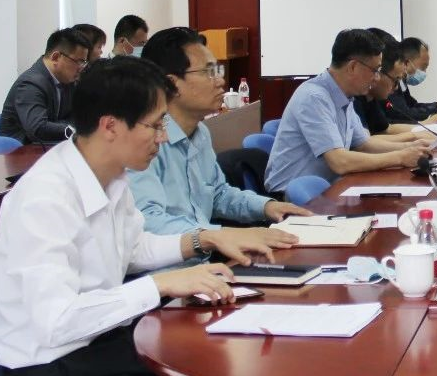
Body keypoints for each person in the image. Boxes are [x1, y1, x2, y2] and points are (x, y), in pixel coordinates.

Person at [0, 57, 296, 376]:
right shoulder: (44, 198)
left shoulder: (112, 176)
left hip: (101, 345)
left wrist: (203, 241)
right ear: (110, 126)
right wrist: (160, 284)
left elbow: (132, 249)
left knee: (214, 370)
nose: (162, 137)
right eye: (155, 125)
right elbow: (57, 321)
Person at [128, 27, 312, 237]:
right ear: (172, 84)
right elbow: (149, 222)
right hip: (177, 256)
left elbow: (218, 194)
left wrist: (267, 207)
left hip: (206, 251)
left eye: (218, 70)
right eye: (208, 72)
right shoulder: (146, 142)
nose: (220, 81)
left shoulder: (200, 133)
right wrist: (223, 237)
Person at [264, 29, 436, 193]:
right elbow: (339, 161)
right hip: (295, 196)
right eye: (375, 70)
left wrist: (410, 147)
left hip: (331, 186)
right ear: (353, 67)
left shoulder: (345, 96)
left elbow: (363, 144)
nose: (377, 77)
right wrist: (399, 157)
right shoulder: (314, 97)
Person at [0, 28, 91, 145]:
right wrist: (72, 129)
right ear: (56, 57)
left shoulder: (68, 81)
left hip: (52, 147)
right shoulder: (30, 83)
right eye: (79, 61)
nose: (81, 68)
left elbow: (76, 117)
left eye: (84, 62)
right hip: (21, 151)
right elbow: (38, 128)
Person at [353, 32, 437, 143]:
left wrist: (424, 129)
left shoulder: (369, 96)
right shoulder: (354, 98)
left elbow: (385, 129)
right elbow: (364, 144)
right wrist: (415, 137)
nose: (395, 88)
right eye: (396, 80)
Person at [385, 36, 437, 124]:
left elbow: (413, 106)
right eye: (423, 67)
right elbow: (404, 114)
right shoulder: (391, 82)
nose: (424, 72)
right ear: (406, 62)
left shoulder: (402, 82)